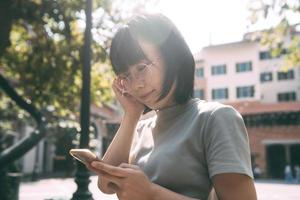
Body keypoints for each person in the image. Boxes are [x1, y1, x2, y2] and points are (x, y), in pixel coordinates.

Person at [87, 13, 257, 200]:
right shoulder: (141, 127)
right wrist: (131, 115)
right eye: (126, 76)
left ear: (172, 57)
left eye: (141, 68)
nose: (136, 84)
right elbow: (106, 185)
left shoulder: (215, 118)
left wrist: (152, 194)